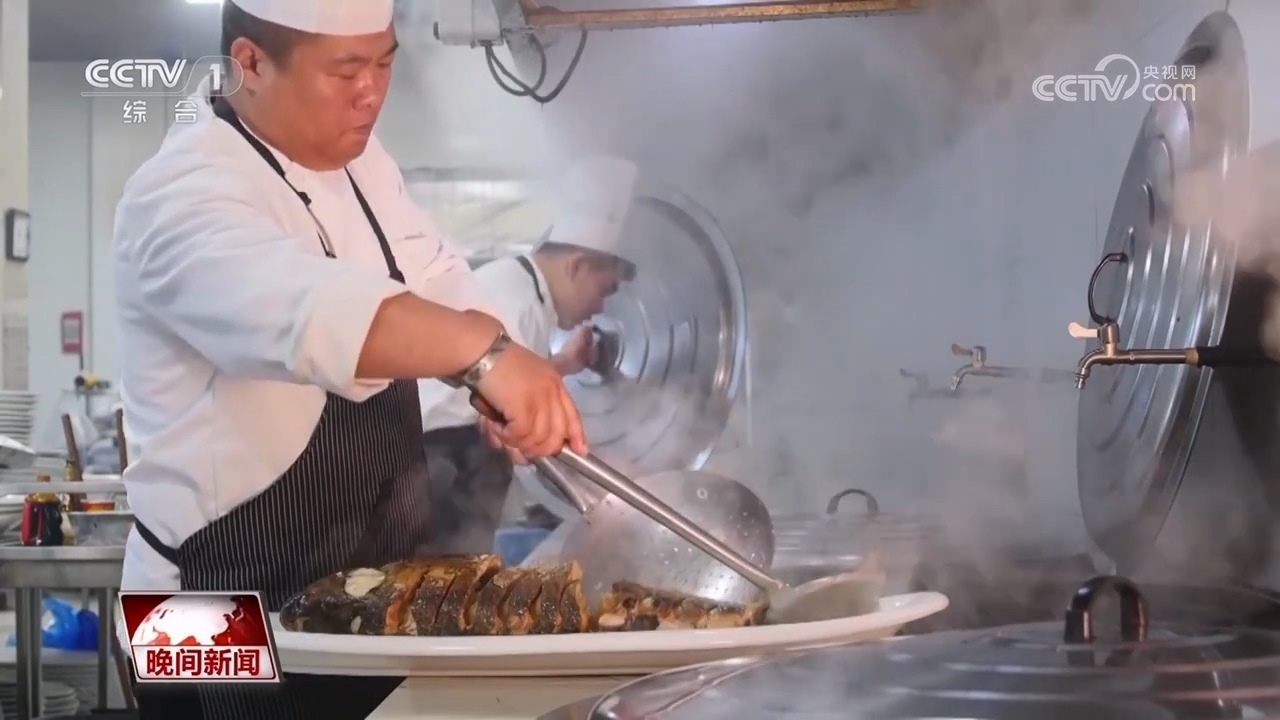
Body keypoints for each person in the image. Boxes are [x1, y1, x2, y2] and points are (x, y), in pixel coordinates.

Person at [111, 1, 586, 718]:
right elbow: (310, 312)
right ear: (250, 62)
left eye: (385, 63)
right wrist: (484, 355)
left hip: (356, 596)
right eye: (346, 70)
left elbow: (434, 274)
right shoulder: (178, 193)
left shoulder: (360, 162)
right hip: (200, 606)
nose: (372, 93)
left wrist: (498, 365)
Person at [415, 156, 640, 554]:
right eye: (604, 290)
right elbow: (505, 418)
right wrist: (602, 473)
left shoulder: (522, 291)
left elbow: (500, 384)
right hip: (442, 464)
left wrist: (565, 364)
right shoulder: (511, 299)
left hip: (456, 460)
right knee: (440, 581)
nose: (600, 308)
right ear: (578, 267)